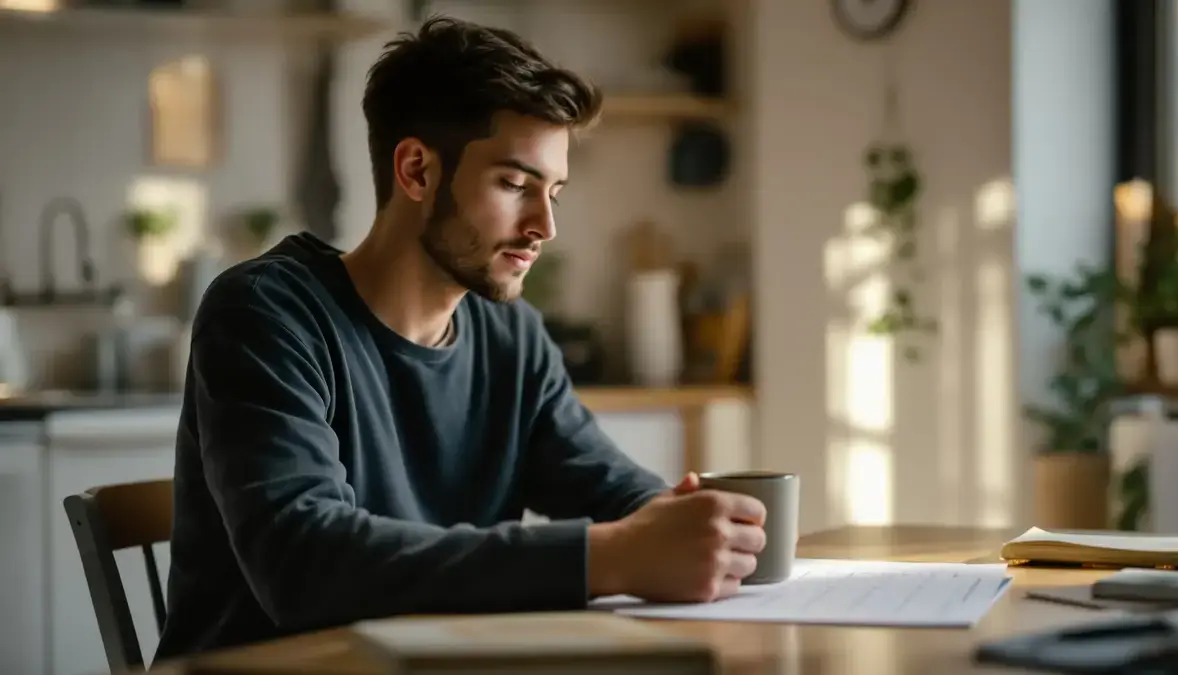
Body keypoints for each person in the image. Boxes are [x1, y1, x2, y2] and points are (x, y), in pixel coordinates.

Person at [153, 15, 767, 662]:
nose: (545, 225)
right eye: (514, 184)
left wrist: (695, 526)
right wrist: (608, 556)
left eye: (554, 191)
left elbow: (610, 488)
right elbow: (304, 563)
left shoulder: (512, 336)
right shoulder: (266, 314)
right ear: (417, 170)